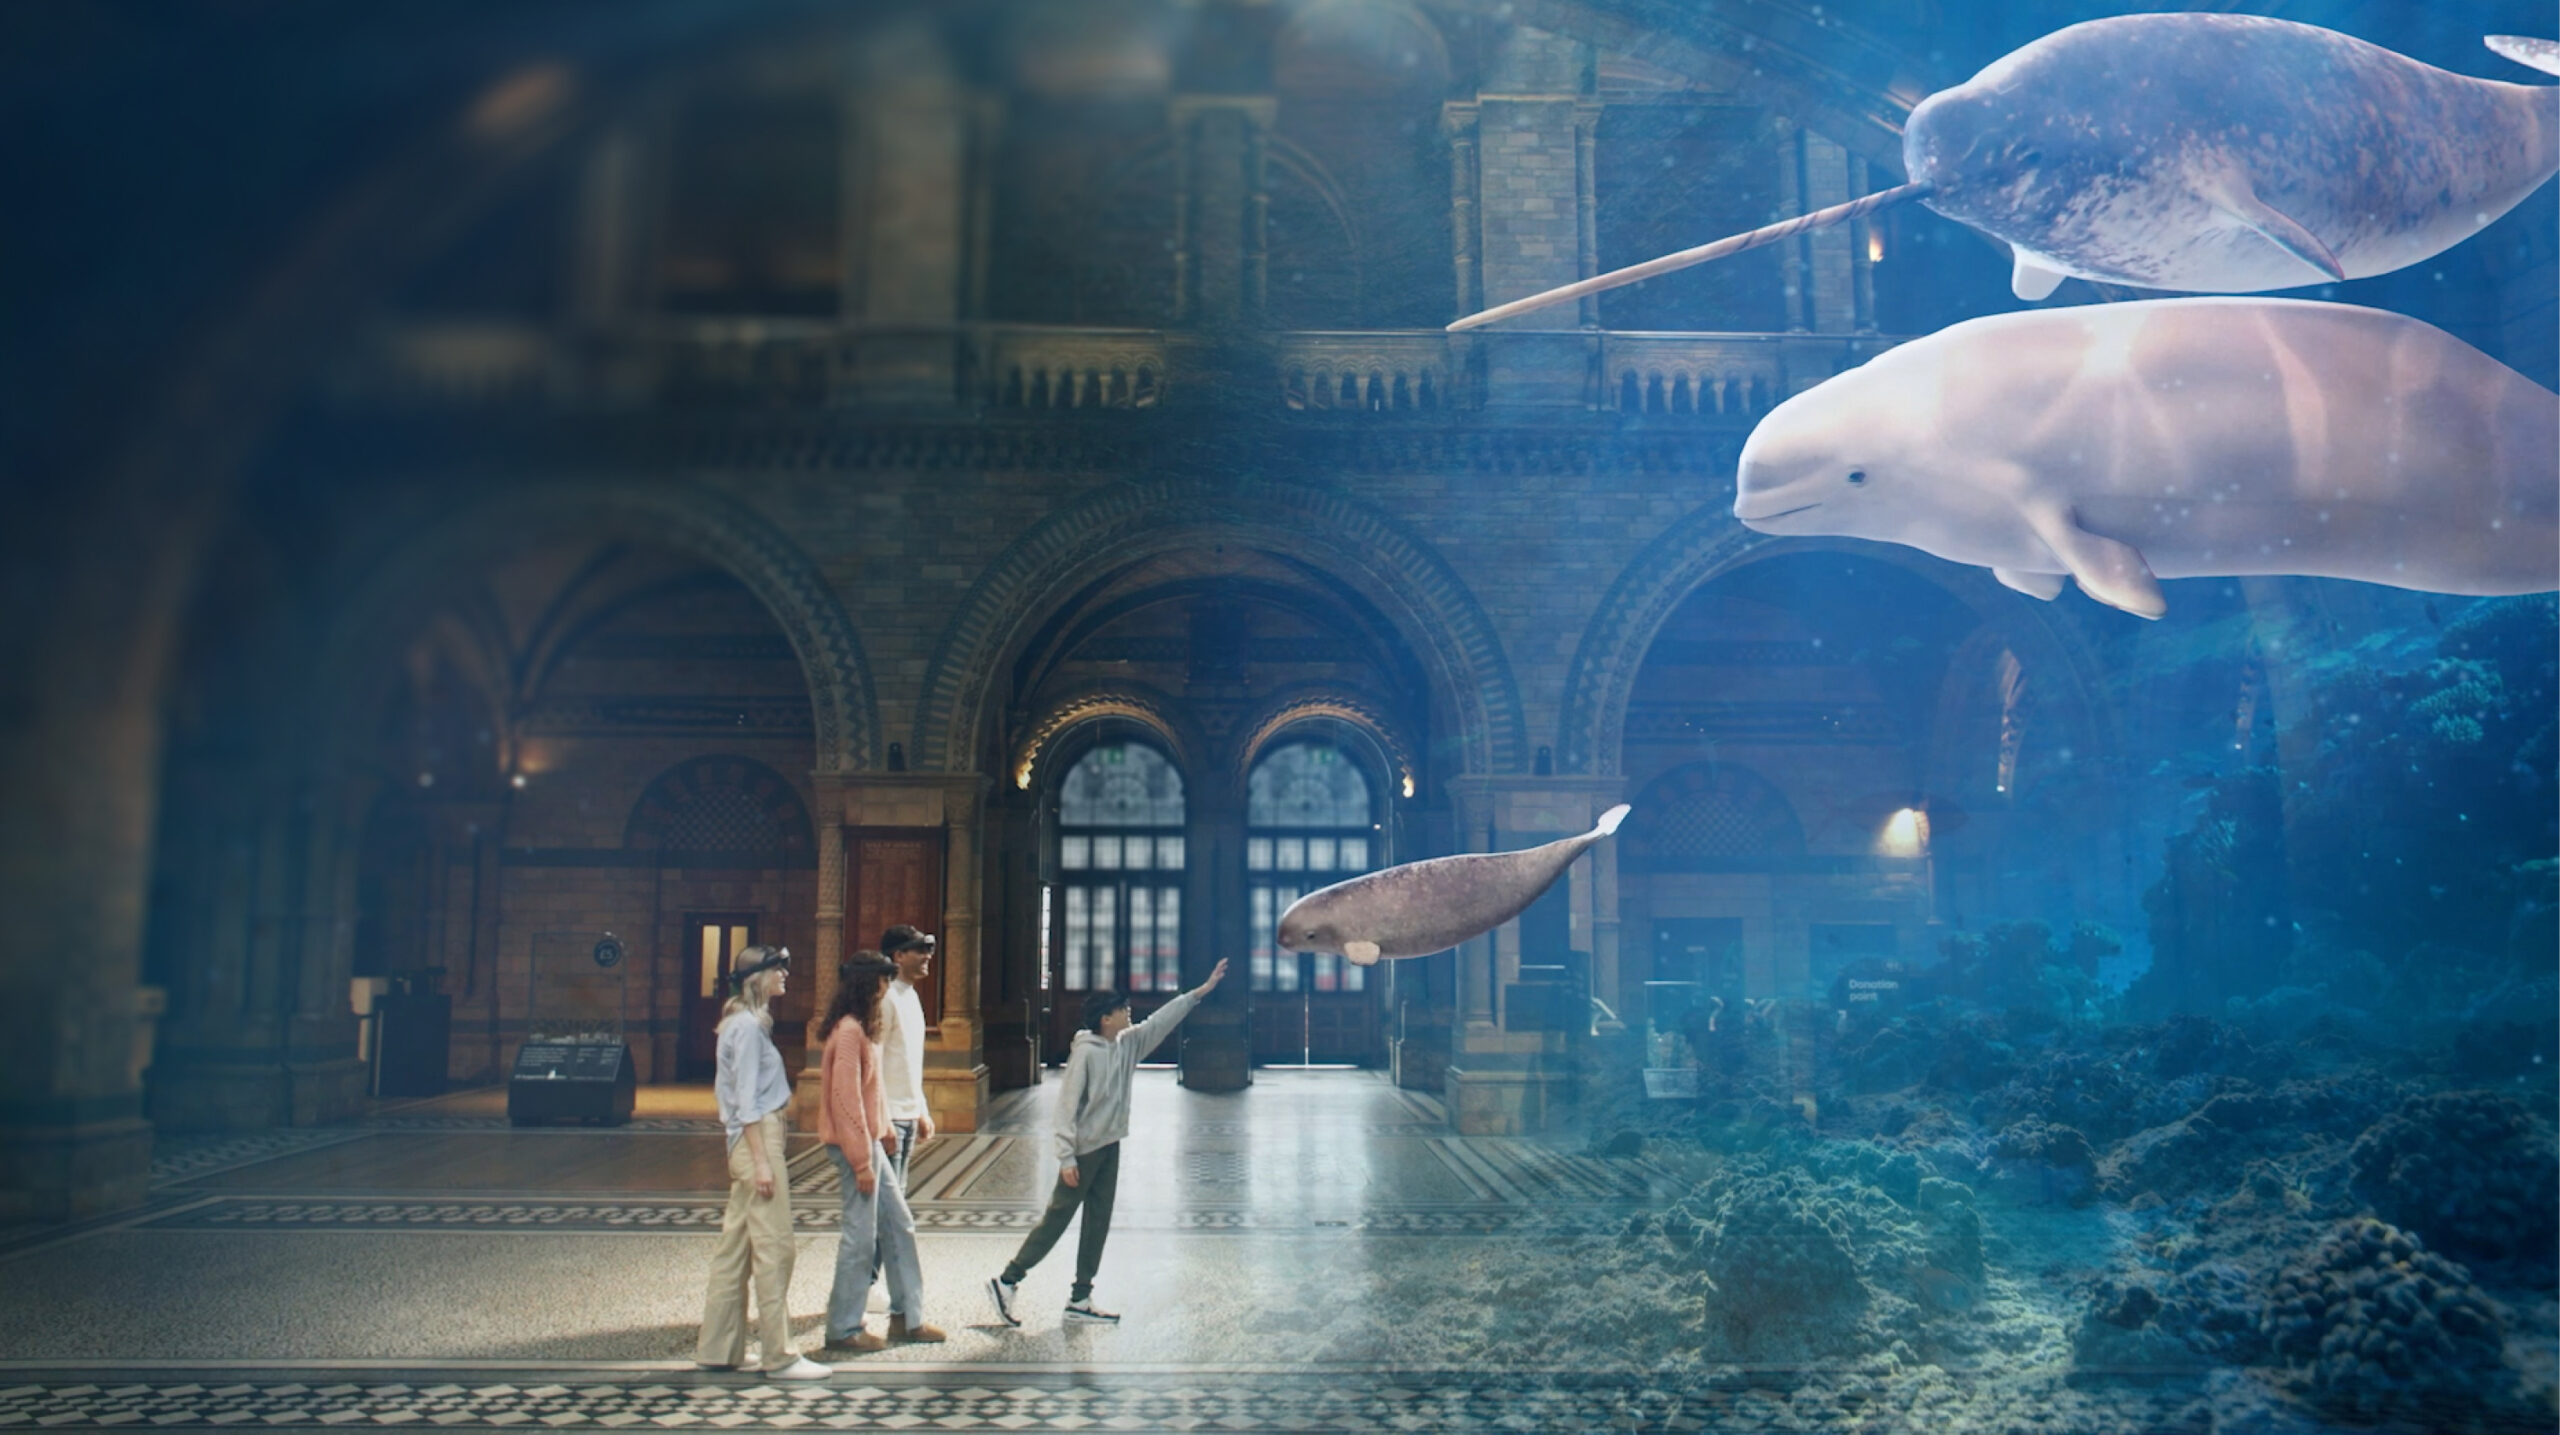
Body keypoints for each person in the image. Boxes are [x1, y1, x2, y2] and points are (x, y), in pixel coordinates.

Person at [987, 957, 1229, 1328]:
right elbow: (1066, 1106)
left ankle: (1081, 1296)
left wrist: (1199, 993)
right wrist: (1066, 1156)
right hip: (1084, 1150)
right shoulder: (1085, 1053)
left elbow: (1159, 1023)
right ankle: (1007, 1281)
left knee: (1098, 1219)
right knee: (1058, 1218)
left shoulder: (1126, 1044)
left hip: (1109, 1144)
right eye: (1121, 1009)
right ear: (1105, 1019)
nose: (1128, 1012)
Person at [696, 946, 831, 1380]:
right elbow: (748, 1100)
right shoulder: (750, 1028)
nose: (786, 974)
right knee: (776, 1248)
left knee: (735, 1248)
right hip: (758, 1138)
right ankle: (780, 1354)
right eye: (779, 969)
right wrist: (762, 1161)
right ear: (759, 977)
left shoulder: (736, 1023)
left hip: (742, 1140)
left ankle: (719, 1348)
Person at [817, 953, 942, 1351]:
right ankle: (843, 1328)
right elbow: (845, 1099)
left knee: (898, 1224)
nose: (887, 990)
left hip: (870, 1142)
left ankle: (908, 1318)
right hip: (856, 1147)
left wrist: (884, 1128)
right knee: (860, 1236)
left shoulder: (862, 1029)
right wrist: (860, 1160)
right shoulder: (850, 1031)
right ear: (869, 985)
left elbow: (873, 1089)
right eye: (883, 982)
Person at [875, 927, 936, 1195]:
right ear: (898, 955)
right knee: (888, 1202)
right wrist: (883, 1118)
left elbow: (910, 1061)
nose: (927, 956)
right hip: (890, 1116)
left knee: (897, 1195)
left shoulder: (911, 996)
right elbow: (874, 1063)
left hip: (908, 1114)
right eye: (920, 950)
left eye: (929, 949)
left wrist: (920, 1109)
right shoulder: (885, 998)